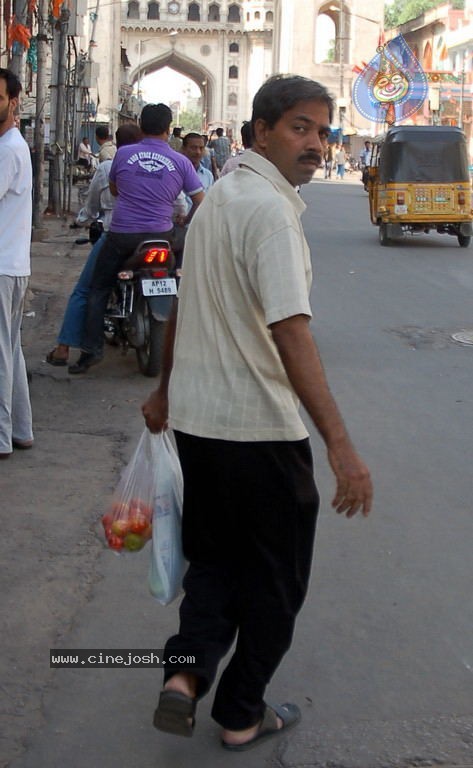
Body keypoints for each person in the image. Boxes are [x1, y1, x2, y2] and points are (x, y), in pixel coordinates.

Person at [142, 74, 373, 750]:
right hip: (258, 433)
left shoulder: (217, 199)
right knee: (274, 585)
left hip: (198, 426)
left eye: (323, 131)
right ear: (262, 132)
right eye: (300, 128)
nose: (315, 144)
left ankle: (183, 678)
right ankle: (242, 712)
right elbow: (291, 331)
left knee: (214, 564)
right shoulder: (268, 212)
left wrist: (163, 390)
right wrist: (340, 446)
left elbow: (184, 302)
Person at [68, 103, 205, 374]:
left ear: (141, 126)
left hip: (122, 236)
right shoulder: (180, 161)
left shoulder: (124, 153)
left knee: (98, 289)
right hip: (162, 237)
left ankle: (91, 351)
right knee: (179, 272)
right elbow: (200, 199)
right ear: (168, 129)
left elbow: (116, 190)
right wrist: (185, 220)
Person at [45, 123, 142, 366]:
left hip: (115, 234)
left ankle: (67, 347)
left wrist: (81, 220)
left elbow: (91, 208)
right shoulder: (154, 167)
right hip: (153, 236)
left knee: (87, 289)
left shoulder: (109, 167)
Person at [0, 68, 34, 458]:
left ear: (14, 101)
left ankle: (2, 435)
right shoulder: (12, 145)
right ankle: (20, 430)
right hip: (13, 264)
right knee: (11, 348)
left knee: (3, 353)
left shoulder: (9, 149)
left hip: (5, 266)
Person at [172, 132, 214, 268]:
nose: (198, 152)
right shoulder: (173, 173)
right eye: (193, 148)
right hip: (176, 231)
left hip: (199, 232)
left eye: (201, 148)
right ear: (183, 149)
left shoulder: (207, 175)